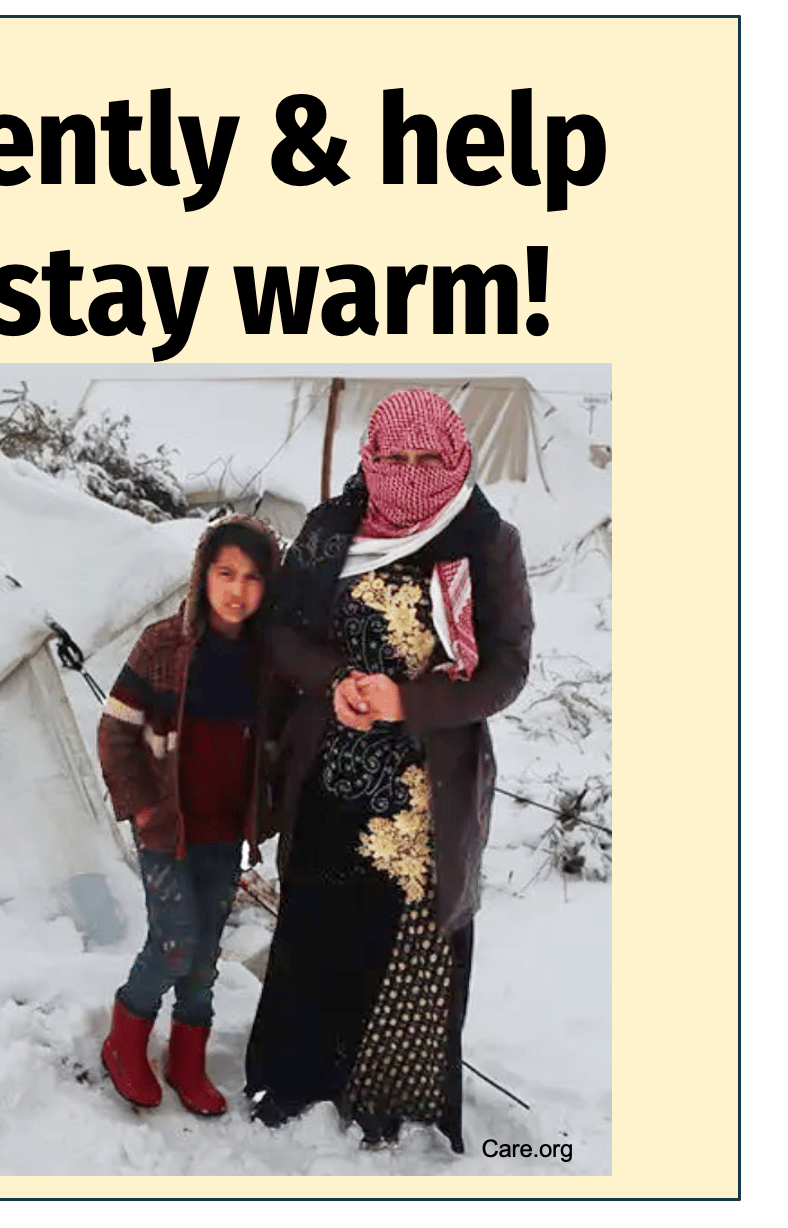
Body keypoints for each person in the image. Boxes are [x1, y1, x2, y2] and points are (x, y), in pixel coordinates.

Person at [244, 388, 533, 1152]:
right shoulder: (331, 528)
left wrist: (406, 702)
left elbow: (505, 671)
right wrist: (335, 680)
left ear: (457, 457)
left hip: (422, 789)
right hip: (332, 768)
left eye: (426, 458)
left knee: (403, 939)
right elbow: (283, 631)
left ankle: (384, 1095)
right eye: (394, 457)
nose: (408, 473)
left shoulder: (484, 542)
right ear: (370, 458)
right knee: (317, 923)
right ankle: (298, 1078)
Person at [96, 516, 282, 1117]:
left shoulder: (265, 659)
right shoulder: (163, 645)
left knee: (203, 957)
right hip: (166, 829)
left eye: (252, 578)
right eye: (225, 573)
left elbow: (276, 744)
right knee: (175, 942)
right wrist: (144, 807)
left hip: (223, 832)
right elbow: (115, 733)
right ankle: (124, 1040)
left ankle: (186, 1057)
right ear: (203, 573)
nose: (237, 590)